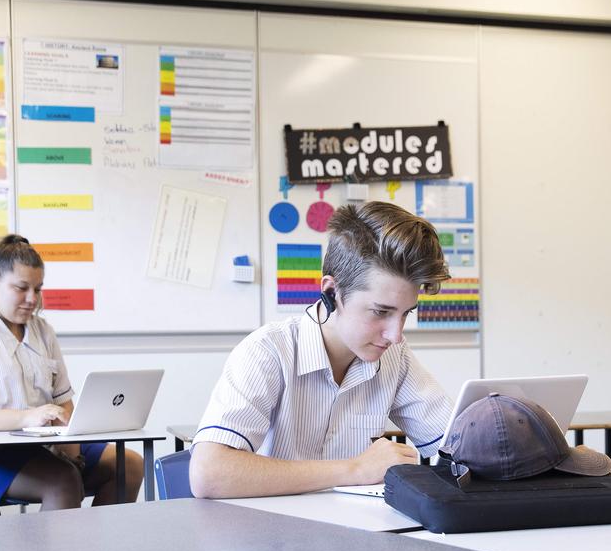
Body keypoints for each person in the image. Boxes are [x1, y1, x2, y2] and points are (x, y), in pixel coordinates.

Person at [190, 201, 453, 498]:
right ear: (331, 291)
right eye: (380, 312)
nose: (396, 335)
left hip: (354, 534)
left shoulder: (395, 358)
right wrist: (355, 469)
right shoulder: (268, 351)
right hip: (269, 536)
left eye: (407, 313)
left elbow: (457, 446)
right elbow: (208, 474)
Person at [0, 234, 142, 513]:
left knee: (130, 466)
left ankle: (91, 549)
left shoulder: (43, 331)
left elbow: (64, 402)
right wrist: (26, 418)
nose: (32, 299)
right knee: (63, 480)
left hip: (41, 448)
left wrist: (73, 451)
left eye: (38, 289)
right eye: (21, 288)